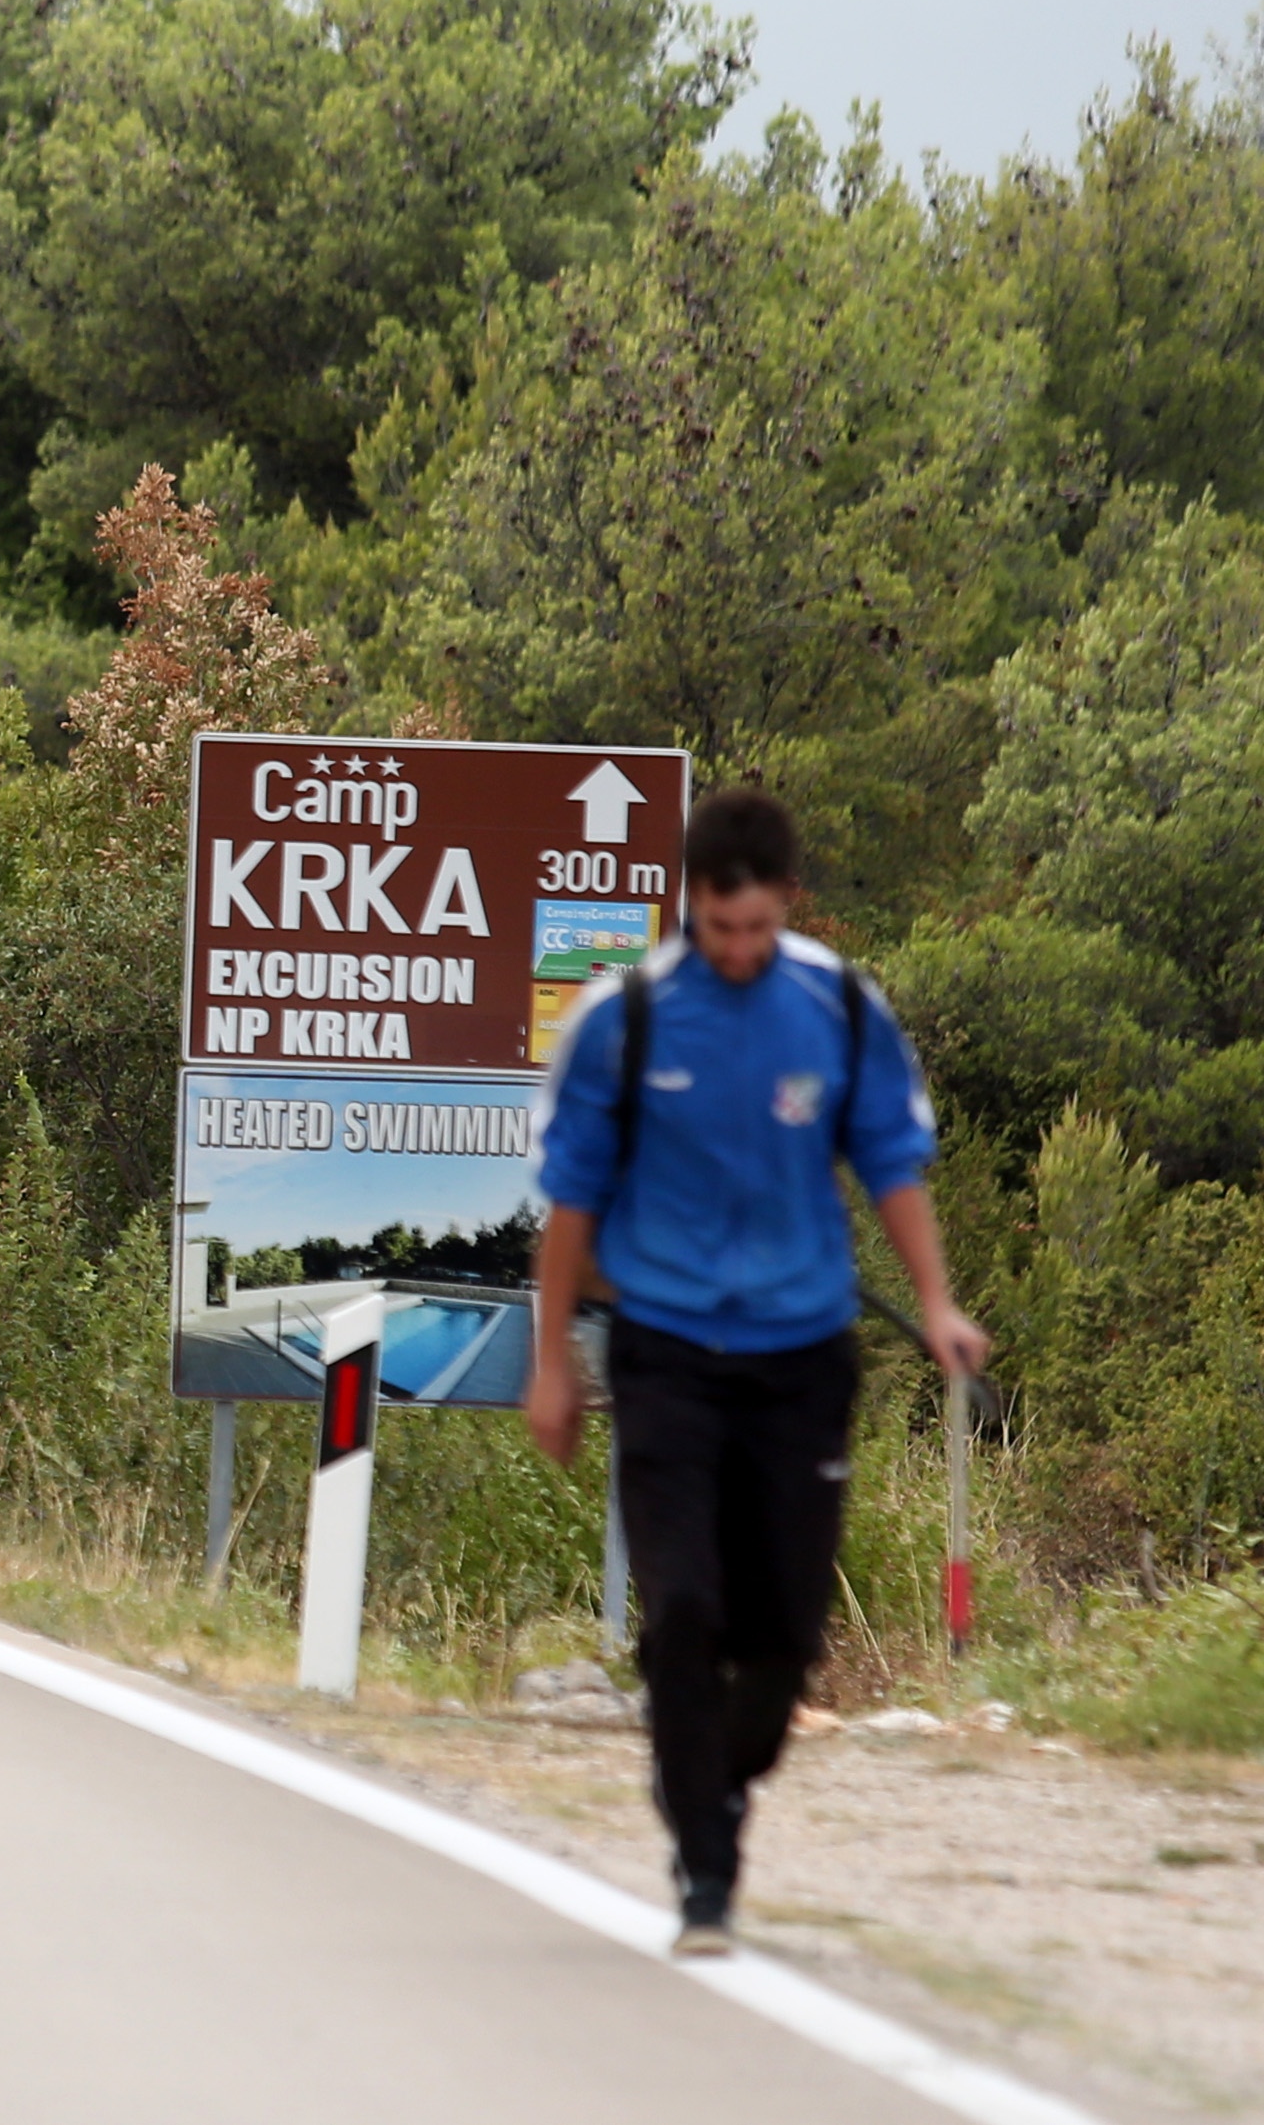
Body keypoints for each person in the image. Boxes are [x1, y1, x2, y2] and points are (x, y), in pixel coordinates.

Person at [525, 786, 987, 1960]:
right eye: (716, 927)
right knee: (682, 1605)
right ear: (689, 903)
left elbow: (890, 1156)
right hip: (668, 1349)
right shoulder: (619, 1018)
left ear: (786, 902)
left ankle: (716, 1766)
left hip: (799, 1353)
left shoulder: (835, 1008)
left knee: (782, 1622)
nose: (735, 949)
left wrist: (934, 1303)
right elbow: (569, 1199)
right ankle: (704, 1869)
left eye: (756, 927)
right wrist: (551, 1368)